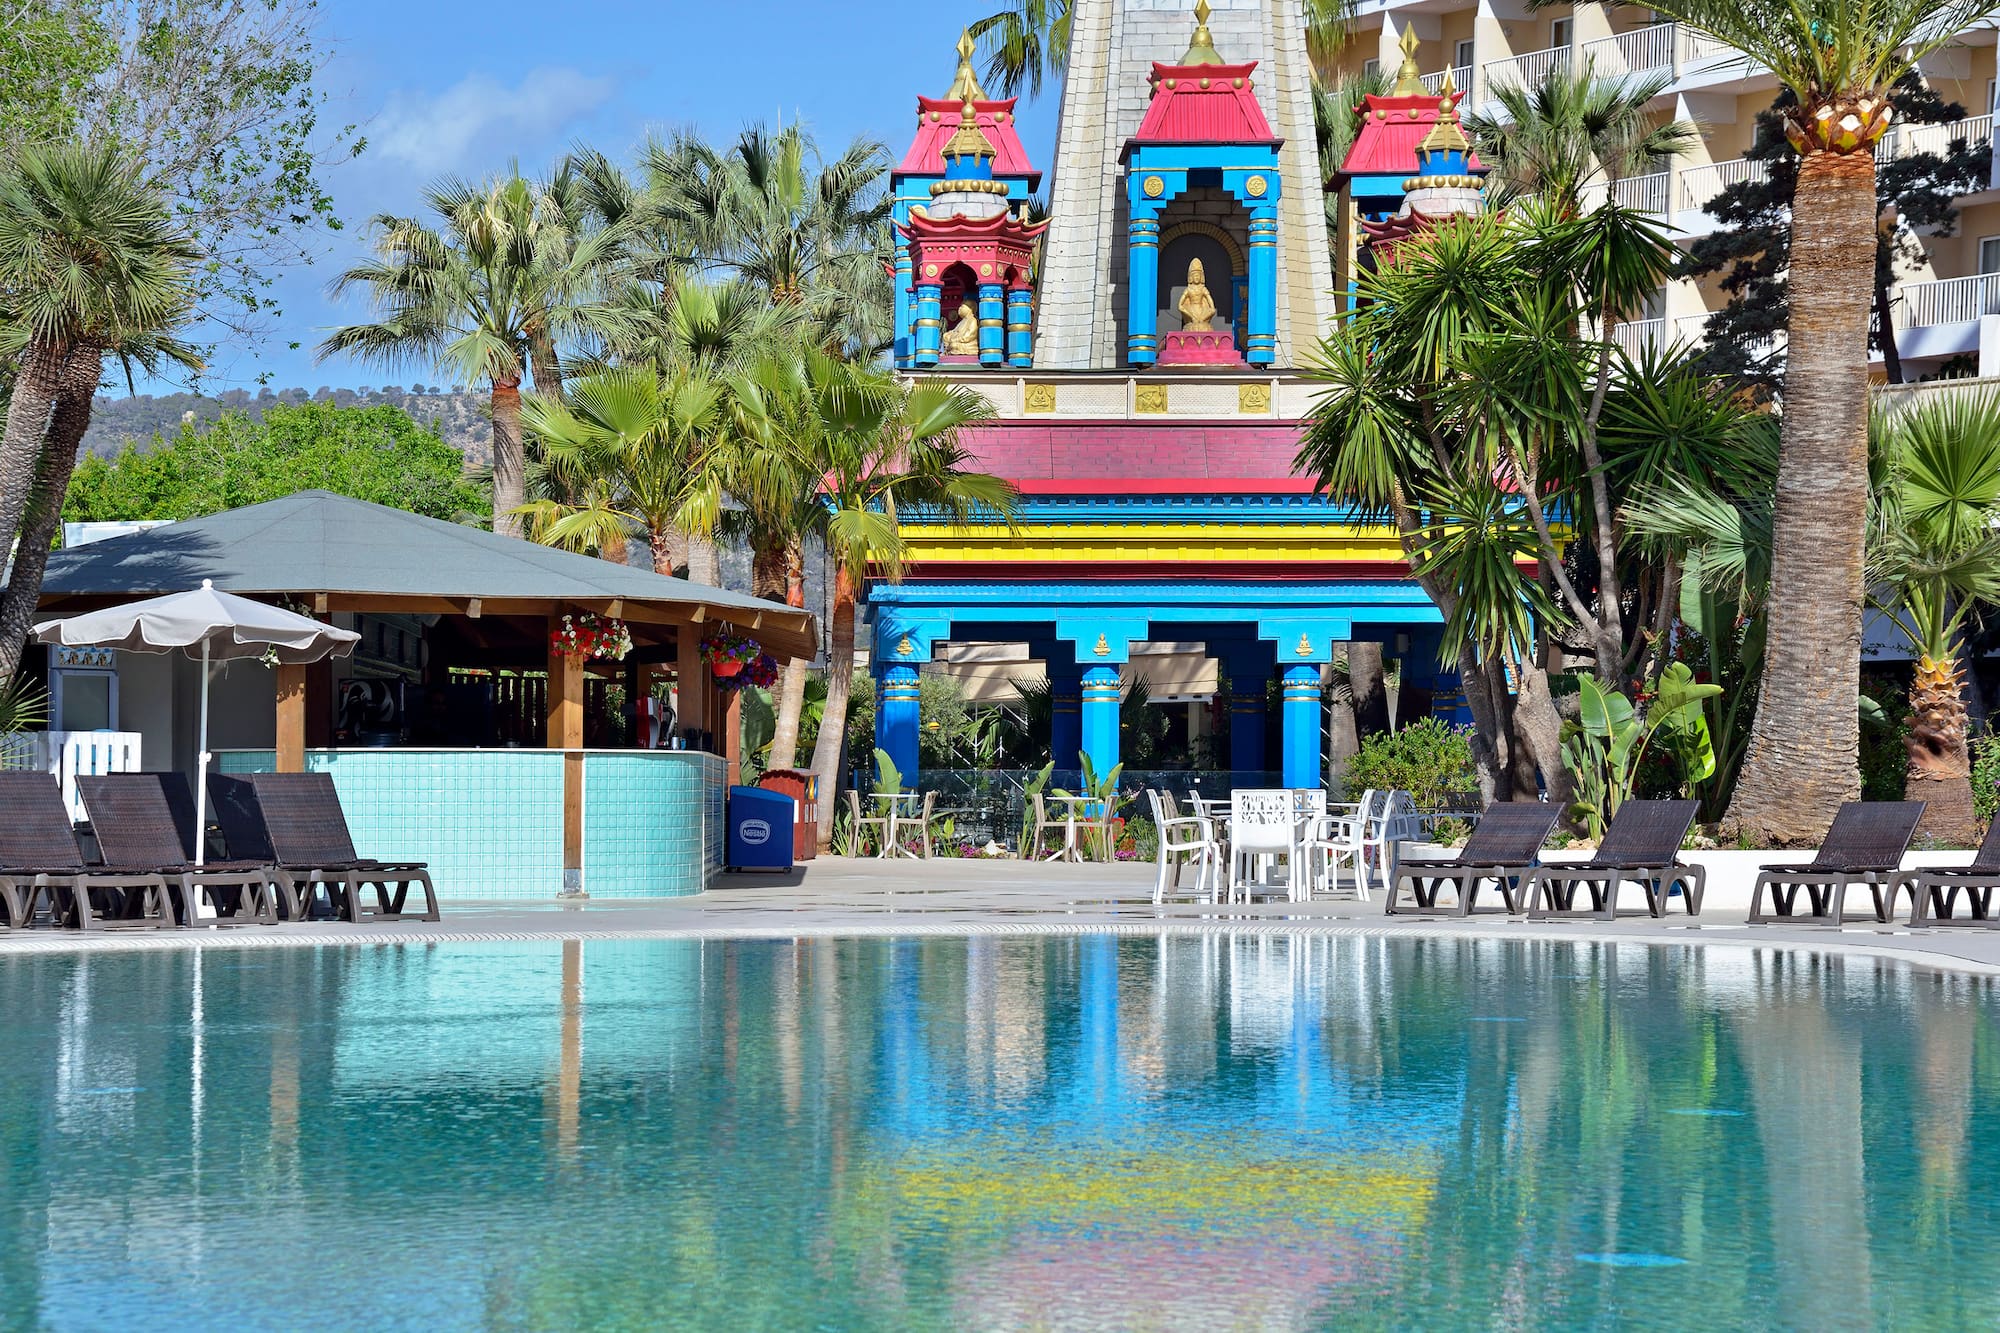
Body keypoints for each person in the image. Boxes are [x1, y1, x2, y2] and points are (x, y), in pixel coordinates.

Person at [1178, 258, 1217, 332]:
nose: (1197, 277)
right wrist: (1191, 316)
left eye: (1198, 275)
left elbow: (1212, 308)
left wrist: (1204, 317)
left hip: (1202, 311)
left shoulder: (1203, 289)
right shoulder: (1188, 290)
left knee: (1203, 327)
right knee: (1192, 327)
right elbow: (1180, 306)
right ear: (1191, 277)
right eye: (1195, 276)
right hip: (1191, 311)